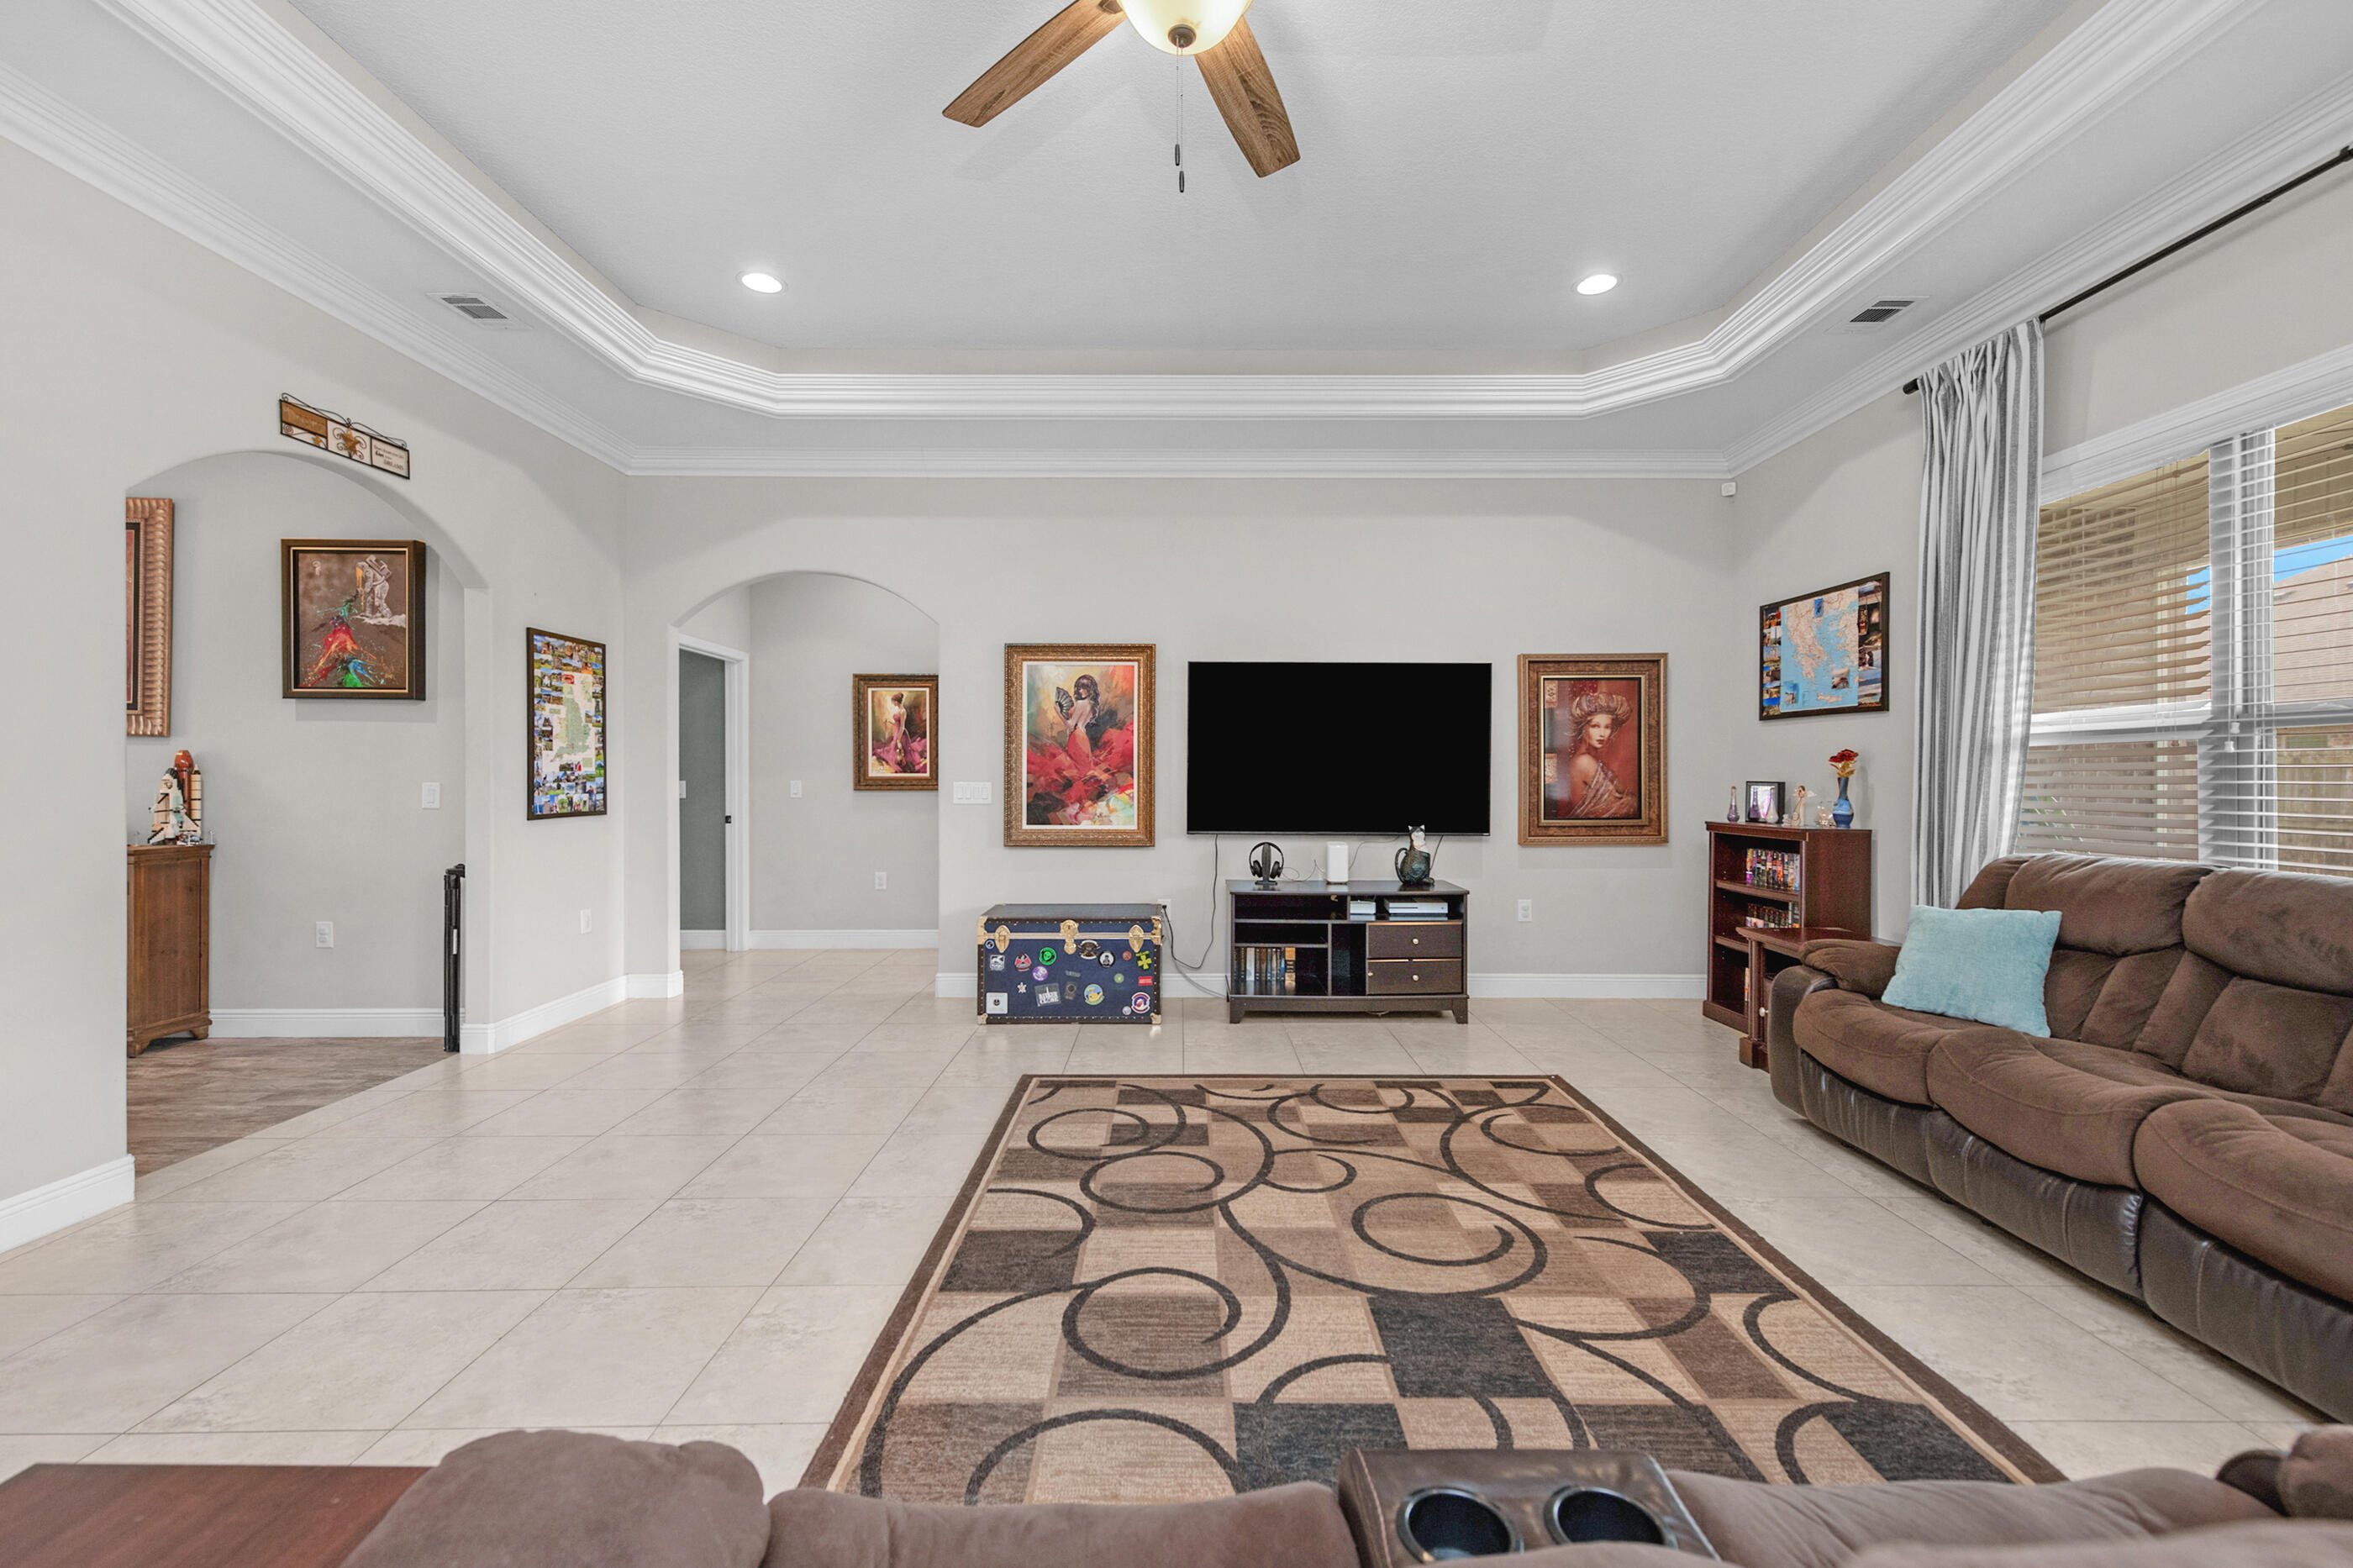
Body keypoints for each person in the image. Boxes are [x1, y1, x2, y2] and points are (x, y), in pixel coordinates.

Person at [1558, 689, 1639, 819]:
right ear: (1584, 728)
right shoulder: (1584, 761)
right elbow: (1616, 806)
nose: (1602, 734)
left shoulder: (1593, 759)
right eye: (1595, 726)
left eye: (1607, 727)